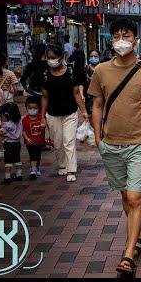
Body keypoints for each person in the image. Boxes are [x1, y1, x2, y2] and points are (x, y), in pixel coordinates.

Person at [89, 18, 141, 277]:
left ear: (136, 40)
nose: (122, 40)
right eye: (118, 35)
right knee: (125, 197)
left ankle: (128, 254)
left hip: (139, 144)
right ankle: (139, 235)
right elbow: (97, 106)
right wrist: (98, 138)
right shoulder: (100, 71)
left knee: (134, 197)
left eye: (127, 35)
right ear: (111, 39)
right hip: (110, 144)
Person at [40, 44, 87, 183]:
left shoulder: (71, 72)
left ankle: (71, 169)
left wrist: (83, 111)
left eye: (53, 57)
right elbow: (44, 96)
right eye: (48, 58)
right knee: (57, 142)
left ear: (61, 57)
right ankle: (62, 165)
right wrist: (42, 116)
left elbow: (77, 93)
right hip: (52, 114)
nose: (50, 60)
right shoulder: (45, 74)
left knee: (68, 141)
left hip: (70, 113)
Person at [0, 52, 18, 158]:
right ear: (6, 62)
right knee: (7, 124)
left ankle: (1, 148)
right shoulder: (10, 74)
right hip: (7, 101)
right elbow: (15, 90)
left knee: (1, 123)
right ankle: (5, 147)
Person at [0, 102, 23, 184]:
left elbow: (1, 133)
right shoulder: (19, 121)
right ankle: (19, 174)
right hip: (17, 143)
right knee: (17, 158)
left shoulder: (6, 124)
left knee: (8, 160)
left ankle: (7, 177)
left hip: (9, 144)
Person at [22, 95, 45, 181]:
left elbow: (45, 124)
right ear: (27, 108)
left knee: (37, 156)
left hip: (39, 141)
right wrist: (26, 138)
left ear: (39, 107)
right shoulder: (25, 119)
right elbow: (23, 130)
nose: (32, 110)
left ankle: (37, 168)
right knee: (32, 156)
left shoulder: (40, 117)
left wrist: (43, 125)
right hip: (30, 142)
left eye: (35, 108)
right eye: (30, 108)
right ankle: (33, 170)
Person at [83, 50, 101, 115]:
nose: (93, 58)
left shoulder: (103, 69)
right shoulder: (85, 69)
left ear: (99, 57)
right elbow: (82, 83)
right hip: (88, 98)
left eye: (95, 56)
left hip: (101, 97)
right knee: (91, 116)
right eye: (91, 56)